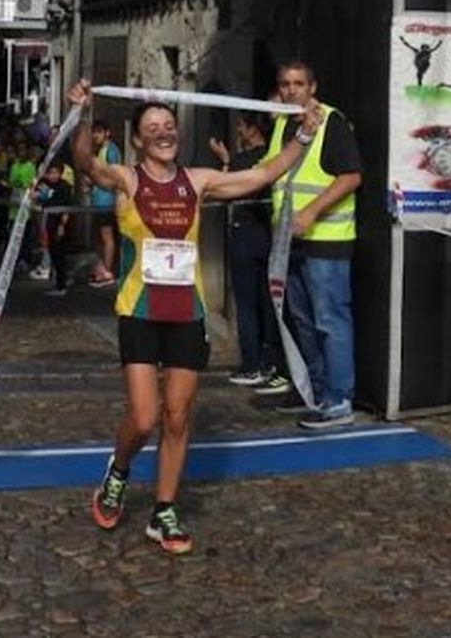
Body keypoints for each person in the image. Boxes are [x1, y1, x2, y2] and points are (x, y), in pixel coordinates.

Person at [71, 79, 322, 555]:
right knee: (144, 418)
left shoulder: (199, 181)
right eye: (153, 128)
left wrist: (303, 137)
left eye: (169, 126)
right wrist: (83, 117)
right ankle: (118, 472)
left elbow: (262, 175)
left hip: (186, 314)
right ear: (139, 141)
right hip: (140, 313)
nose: (163, 133)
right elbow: (84, 163)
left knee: (179, 417)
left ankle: (164, 510)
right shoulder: (127, 180)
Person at [268, 62, 364, 430]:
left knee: (330, 321)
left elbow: (352, 175)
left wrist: (311, 211)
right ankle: (317, 391)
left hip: (327, 241)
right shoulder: (282, 124)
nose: (292, 91)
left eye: (298, 84)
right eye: (285, 85)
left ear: (312, 87)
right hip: (289, 243)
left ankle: (339, 399)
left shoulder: (331, 122)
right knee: (303, 321)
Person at [208, 112, 289, 395]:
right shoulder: (274, 157)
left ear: (253, 130)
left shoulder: (247, 162)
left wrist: (226, 160)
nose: (238, 130)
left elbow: (226, 187)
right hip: (268, 240)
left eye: (242, 126)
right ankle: (270, 363)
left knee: (248, 305)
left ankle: (254, 363)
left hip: (247, 239)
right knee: (268, 305)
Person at [85, 121, 123, 288]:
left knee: (107, 237)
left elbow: (113, 175)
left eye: (99, 132)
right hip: (98, 200)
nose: (95, 136)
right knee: (100, 237)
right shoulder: (100, 150)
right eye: (93, 132)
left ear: (107, 132)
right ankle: (101, 269)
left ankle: (107, 271)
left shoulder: (111, 151)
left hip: (107, 200)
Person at [35, 161, 74, 295]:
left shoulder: (65, 187)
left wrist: (62, 225)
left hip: (60, 225)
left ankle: (61, 285)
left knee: (59, 254)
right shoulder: (45, 185)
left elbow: (67, 207)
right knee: (53, 252)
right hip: (50, 224)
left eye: (55, 173)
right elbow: (38, 197)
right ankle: (57, 282)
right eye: (50, 173)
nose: (52, 176)